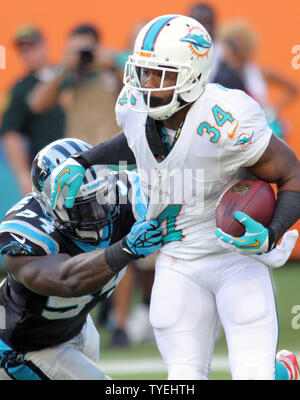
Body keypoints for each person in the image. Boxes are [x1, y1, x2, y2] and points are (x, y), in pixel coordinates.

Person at [48, 15, 300, 380]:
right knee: (183, 379)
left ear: (194, 75)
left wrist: (273, 231)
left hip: (236, 257)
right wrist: (84, 161)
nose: (147, 83)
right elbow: (136, 141)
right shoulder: (135, 105)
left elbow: (292, 173)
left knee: (252, 374)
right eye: (144, 71)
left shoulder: (225, 119)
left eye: (161, 74)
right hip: (178, 256)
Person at [0, 138, 162, 380]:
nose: (98, 212)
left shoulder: (126, 193)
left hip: (78, 327)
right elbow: (67, 280)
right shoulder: (27, 233)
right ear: (51, 206)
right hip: (23, 347)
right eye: (83, 207)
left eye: (102, 198)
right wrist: (125, 249)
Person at [29, 23, 120, 146]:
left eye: (85, 51)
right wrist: (65, 67)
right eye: (76, 51)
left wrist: (112, 66)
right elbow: (37, 104)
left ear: (97, 48)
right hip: (80, 153)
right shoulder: (68, 74)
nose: (81, 57)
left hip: (112, 150)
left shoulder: (114, 64)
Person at [0, 25, 65, 196]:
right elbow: (10, 134)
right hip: (48, 170)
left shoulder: (67, 76)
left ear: (45, 45)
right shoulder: (20, 89)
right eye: (23, 50)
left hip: (82, 159)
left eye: (32, 47)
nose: (28, 54)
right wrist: (23, 176)